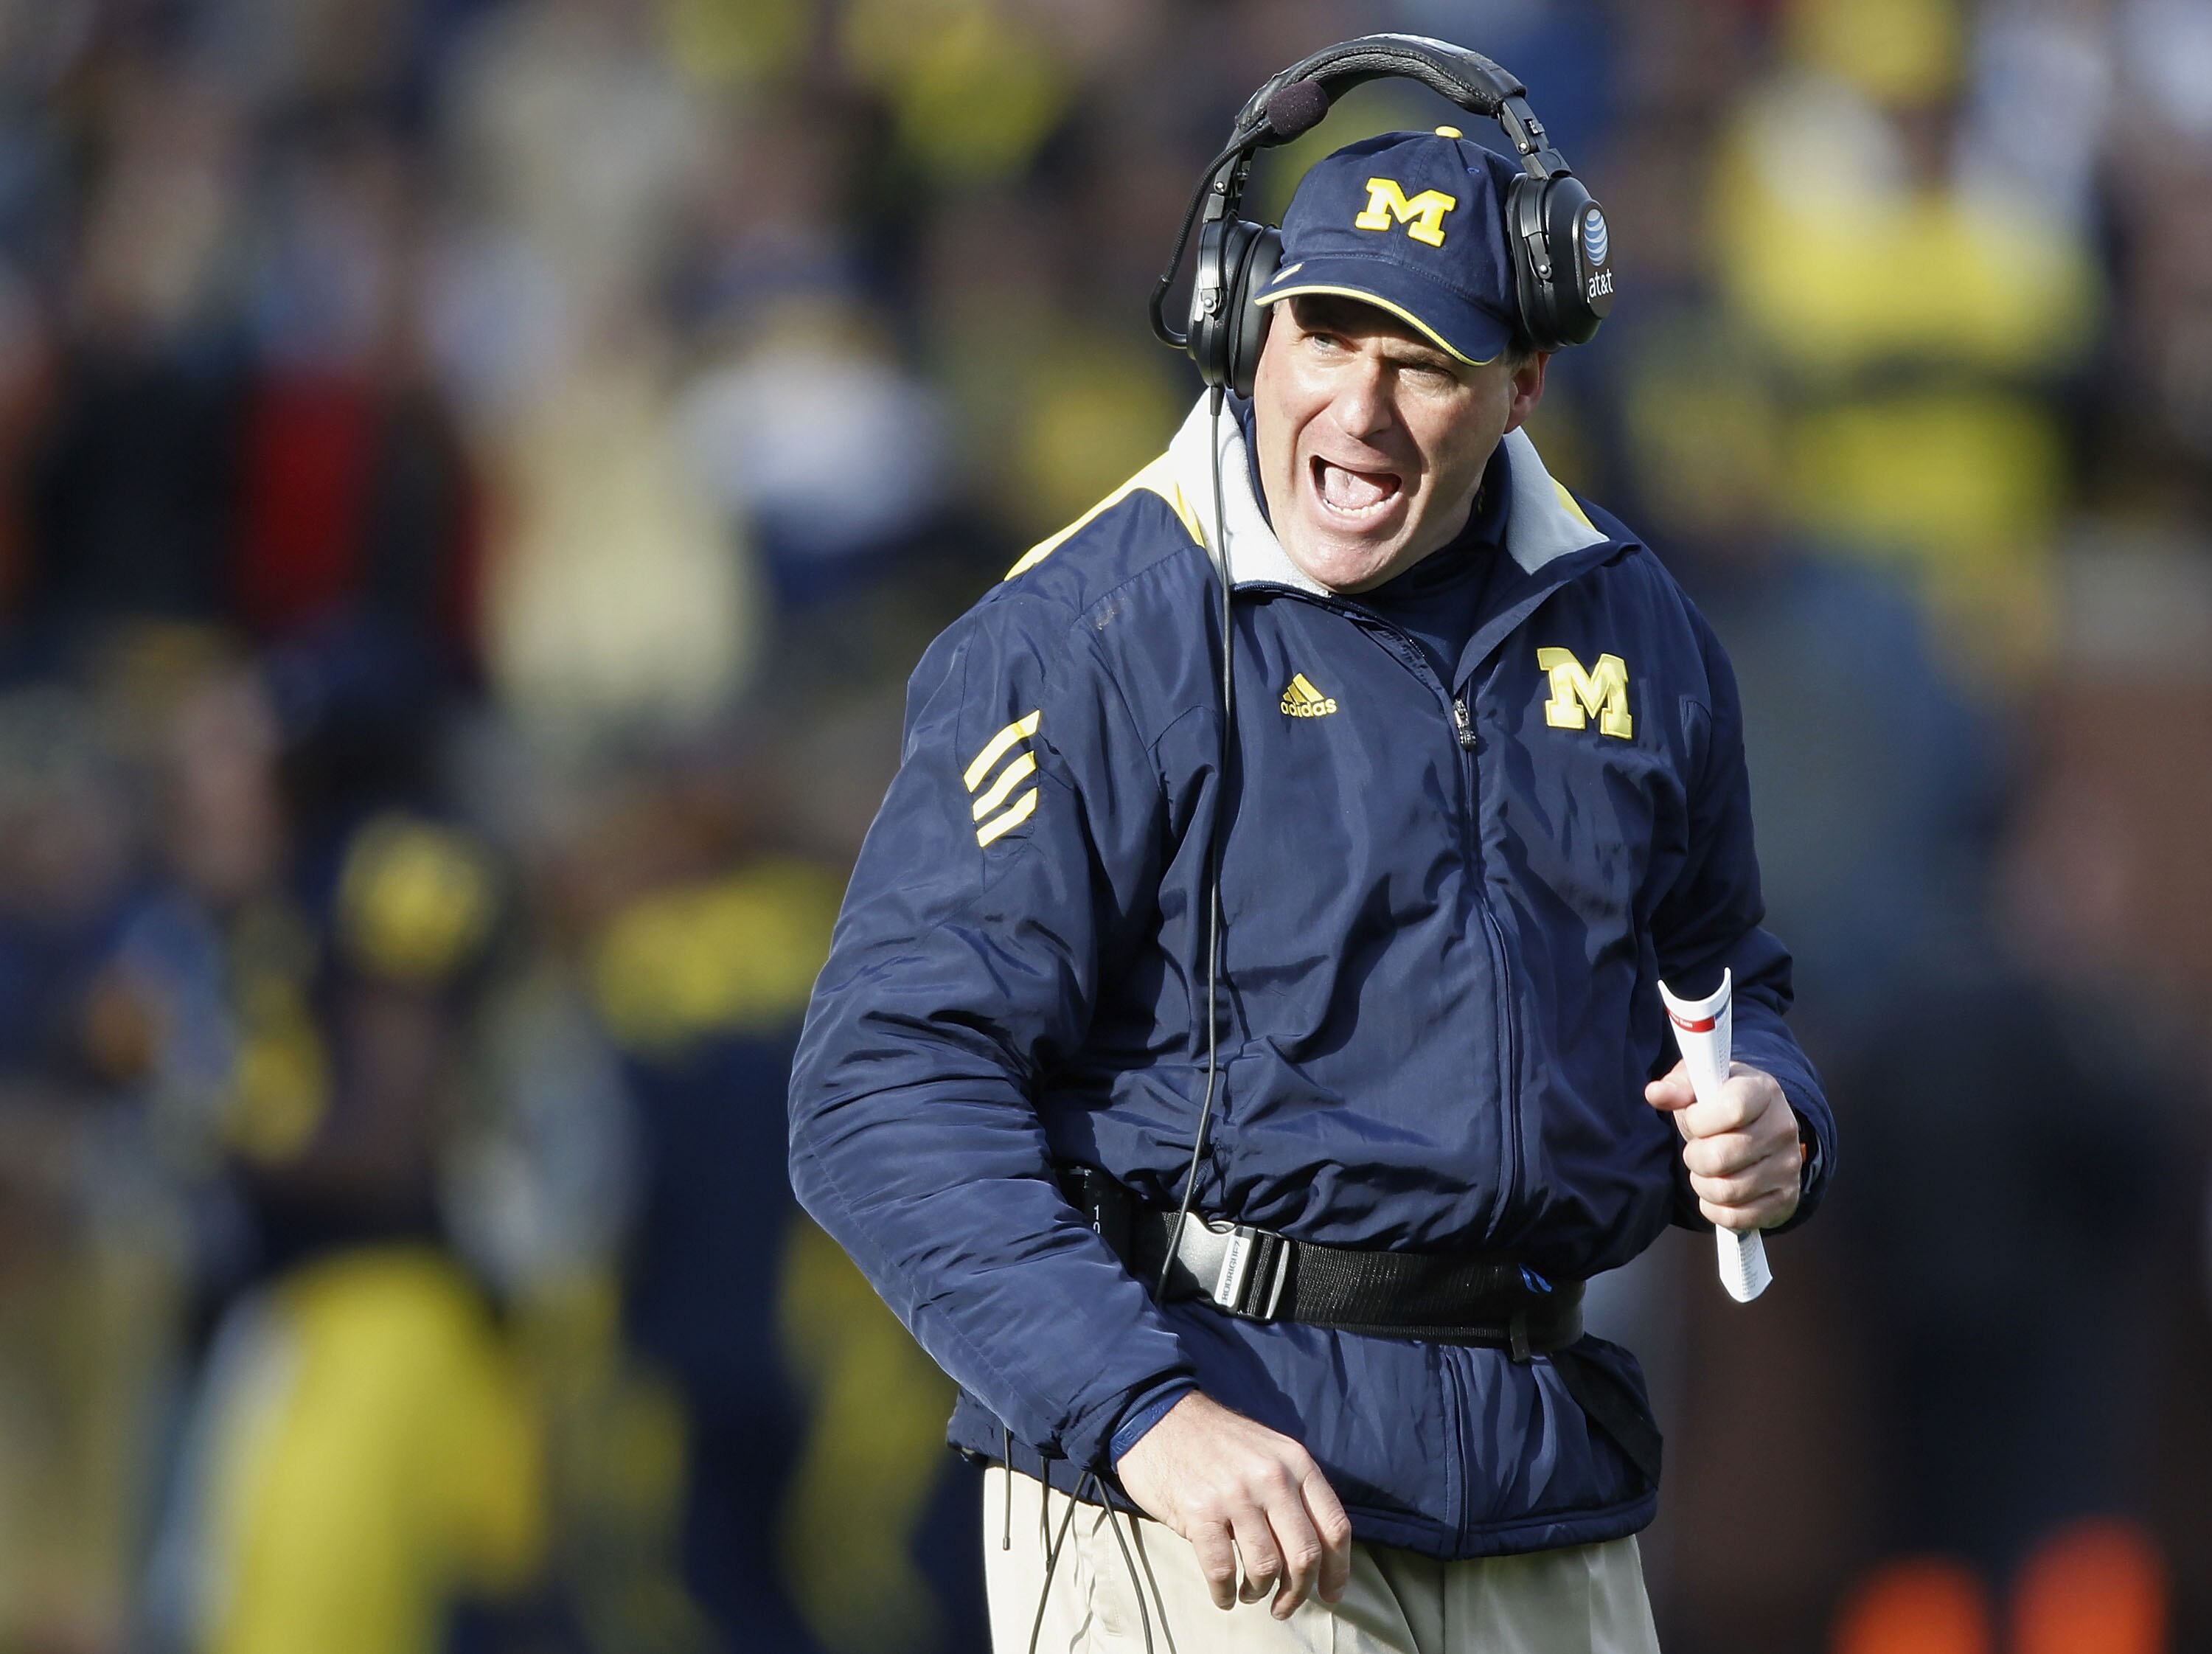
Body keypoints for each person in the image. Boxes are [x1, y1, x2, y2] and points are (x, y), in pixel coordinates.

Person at [788, 119, 1834, 1653]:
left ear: (1525, 385)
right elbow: (881, 1081)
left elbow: (1726, 974)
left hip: (1550, 1492)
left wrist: (1776, 1114)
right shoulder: (1091, 634)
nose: (1360, 405)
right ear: (1245, 324)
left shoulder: (1642, 628)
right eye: (1327, 330)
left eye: (1426, 359)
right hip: (1205, 1496)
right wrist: (1139, 1413)